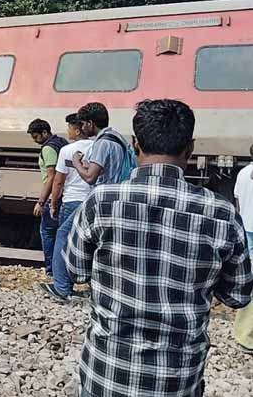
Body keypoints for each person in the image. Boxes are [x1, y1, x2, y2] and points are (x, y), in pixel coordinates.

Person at [66, 99, 252, 397]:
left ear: (134, 144)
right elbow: (238, 295)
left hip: (106, 373)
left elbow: (75, 271)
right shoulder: (221, 212)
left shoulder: (101, 201)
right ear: (190, 148)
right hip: (176, 381)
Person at [40, 114, 92, 301]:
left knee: (65, 243)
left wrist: (53, 203)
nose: (67, 131)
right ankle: (92, 286)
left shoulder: (67, 150)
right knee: (92, 244)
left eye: (69, 127)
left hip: (71, 201)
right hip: (92, 201)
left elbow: (58, 181)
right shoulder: (98, 147)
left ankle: (63, 287)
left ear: (77, 130)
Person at [27, 118, 67, 277]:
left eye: (36, 136)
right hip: (67, 194)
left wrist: (41, 202)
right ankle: (62, 270)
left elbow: (52, 177)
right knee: (63, 233)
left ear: (45, 132)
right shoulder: (62, 143)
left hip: (54, 196)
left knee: (48, 232)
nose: (35, 140)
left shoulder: (48, 149)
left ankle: (51, 269)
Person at [72, 102, 136, 186]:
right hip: (119, 188)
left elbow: (90, 178)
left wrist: (76, 163)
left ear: (90, 123)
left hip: (107, 194)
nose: (82, 128)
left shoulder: (102, 143)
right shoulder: (117, 137)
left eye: (83, 124)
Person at [234, 144, 253, 353]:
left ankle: (243, 332)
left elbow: (237, 202)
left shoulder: (242, 173)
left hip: (247, 229)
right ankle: (246, 335)